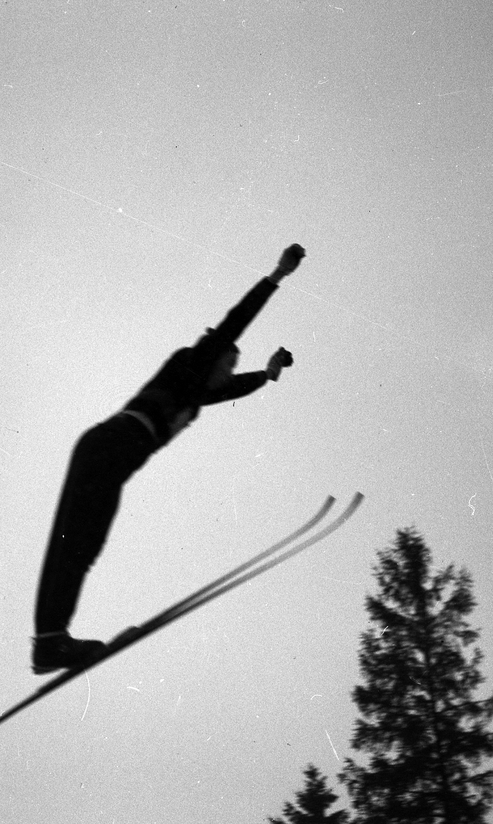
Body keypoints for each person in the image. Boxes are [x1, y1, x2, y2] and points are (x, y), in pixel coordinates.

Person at [31, 244, 306, 673]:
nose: (226, 375)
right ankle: (51, 642)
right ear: (214, 359)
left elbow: (230, 389)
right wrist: (277, 275)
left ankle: (50, 642)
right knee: (77, 542)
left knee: (82, 545)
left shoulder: (197, 395)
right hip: (109, 446)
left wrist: (266, 376)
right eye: (227, 365)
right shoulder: (193, 364)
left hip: (111, 455)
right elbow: (235, 322)